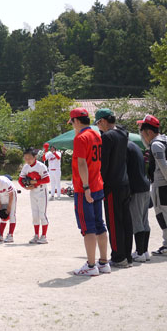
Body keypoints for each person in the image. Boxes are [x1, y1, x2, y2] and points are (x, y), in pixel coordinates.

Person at [68, 108, 110, 276]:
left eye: (72, 122)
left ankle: (91, 265)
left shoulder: (80, 137)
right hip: (98, 184)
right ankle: (103, 262)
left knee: (88, 228)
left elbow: (82, 163)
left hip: (85, 188)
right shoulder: (96, 134)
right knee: (100, 224)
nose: (72, 125)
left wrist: (85, 187)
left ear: (76, 121)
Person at [138, 115, 167, 256]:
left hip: (162, 185)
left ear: (149, 132)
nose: (142, 135)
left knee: (163, 215)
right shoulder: (164, 141)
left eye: (143, 132)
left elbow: (163, 166)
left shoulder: (156, 145)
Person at [95, 108, 133, 268]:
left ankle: (118, 257)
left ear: (103, 121)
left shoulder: (107, 137)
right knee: (126, 220)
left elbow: (104, 164)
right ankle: (127, 255)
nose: (98, 127)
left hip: (112, 185)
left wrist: (99, 182)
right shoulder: (123, 134)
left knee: (114, 222)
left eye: (98, 123)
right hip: (125, 182)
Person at [126, 140, 151, 262]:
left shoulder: (126, 148)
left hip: (137, 188)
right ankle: (145, 251)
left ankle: (139, 252)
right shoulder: (135, 146)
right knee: (144, 221)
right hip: (145, 186)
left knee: (137, 221)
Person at [19, 148, 51, 244]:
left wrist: (36, 182)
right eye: (25, 158)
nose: (27, 160)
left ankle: (44, 236)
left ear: (35, 157)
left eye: (29, 157)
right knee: (35, 215)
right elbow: (20, 180)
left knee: (42, 214)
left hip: (42, 191)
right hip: (32, 192)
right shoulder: (26, 167)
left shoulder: (41, 166)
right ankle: (36, 235)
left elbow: (47, 180)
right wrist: (26, 187)